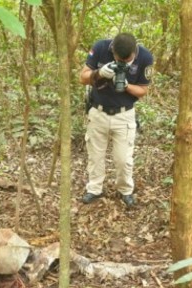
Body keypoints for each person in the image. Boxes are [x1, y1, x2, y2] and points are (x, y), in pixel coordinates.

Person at [79, 32, 153, 207]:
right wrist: (98, 74)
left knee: (123, 159)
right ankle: (94, 189)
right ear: (112, 52)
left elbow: (143, 90)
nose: (123, 63)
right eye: (120, 60)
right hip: (98, 111)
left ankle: (125, 190)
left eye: (127, 61)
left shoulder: (145, 56)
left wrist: (126, 86)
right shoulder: (100, 47)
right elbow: (82, 77)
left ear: (135, 52)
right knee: (95, 155)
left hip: (124, 114)